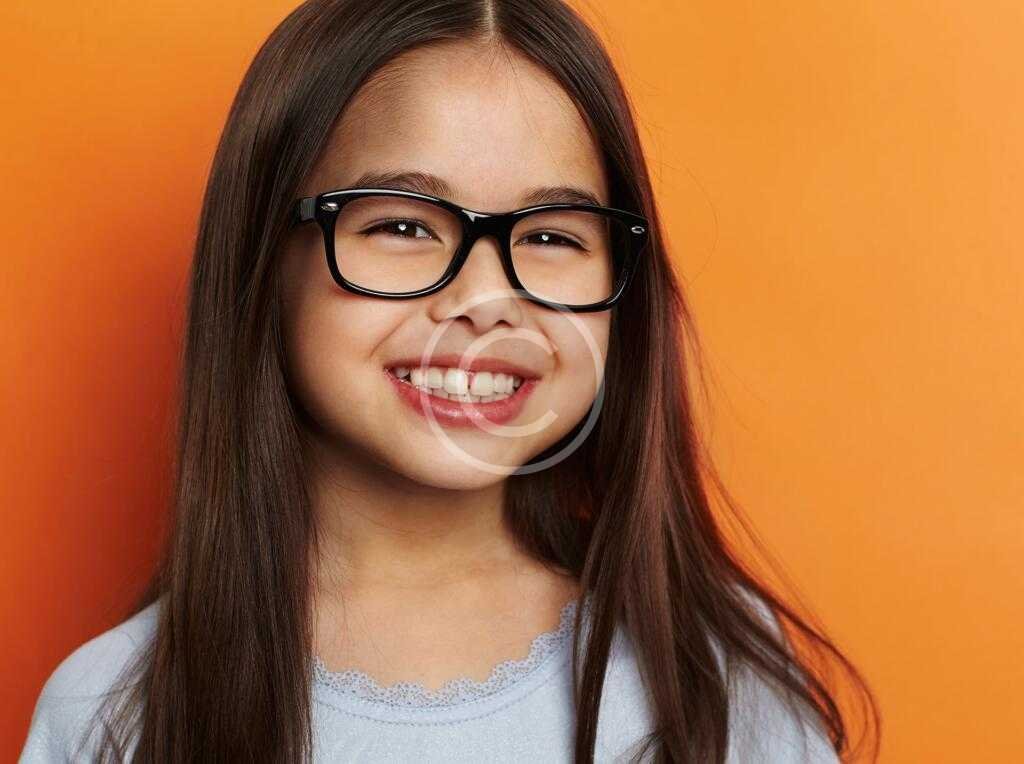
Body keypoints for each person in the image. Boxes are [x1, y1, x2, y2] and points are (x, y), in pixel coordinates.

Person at [20, 1, 879, 761]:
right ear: (262, 260)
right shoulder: (112, 712)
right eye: (400, 223)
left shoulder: (706, 669)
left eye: (550, 236)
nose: (483, 300)